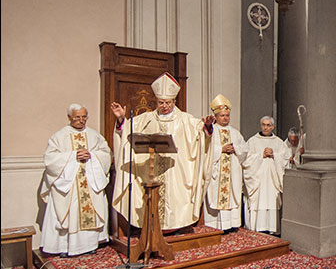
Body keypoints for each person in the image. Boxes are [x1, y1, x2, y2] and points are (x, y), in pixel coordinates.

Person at [110, 72, 213, 230]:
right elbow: (127, 132)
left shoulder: (186, 120)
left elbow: (202, 135)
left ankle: (175, 228)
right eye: (161, 102)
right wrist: (121, 119)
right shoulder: (146, 119)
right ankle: (151, 229)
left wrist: (207, 127)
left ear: (174, 101)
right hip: (151, 171)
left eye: (168, 102)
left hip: (176, 173)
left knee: (176, 199)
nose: (164, 106)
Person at [40, 104, 112, 257]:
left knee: (90, 210)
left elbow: (106, 154)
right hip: (69, 184)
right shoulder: (59, 136)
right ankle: (65, 247)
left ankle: (91, 244)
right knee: (71, 211)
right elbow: (50, 159)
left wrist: (92, 156)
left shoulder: (95, 135)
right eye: (77, 117)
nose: (81, 120)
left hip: (90, 181)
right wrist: (72, 156)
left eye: (84, 117)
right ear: (69, 118)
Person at [203, 94, 247, 233]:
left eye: (227, 115)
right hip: (217, 172)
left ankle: (231, 224)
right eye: (222, 115)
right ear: (215, 116)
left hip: (231, 172)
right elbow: (204, 149)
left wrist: (236, 149)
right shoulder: (210, 131)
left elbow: (245, 150)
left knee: (232, 195)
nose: (225, 118)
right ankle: (214, 225)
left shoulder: (235, 132)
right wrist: (221, 149)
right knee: (216, 196)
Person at [243, 116, 290, 234]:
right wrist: (261, 155)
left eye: (268, 125)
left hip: (272, 181)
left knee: (272, 202)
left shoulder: (279, 142)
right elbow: (246, 161)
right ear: (260, 125)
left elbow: (285, 160)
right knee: (259, 202)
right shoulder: (252, 141)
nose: (266, 127)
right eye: (264, 124)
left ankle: (272, 229)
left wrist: (274, 155)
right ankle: (257, 227)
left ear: (273, 127)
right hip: (258, 182)